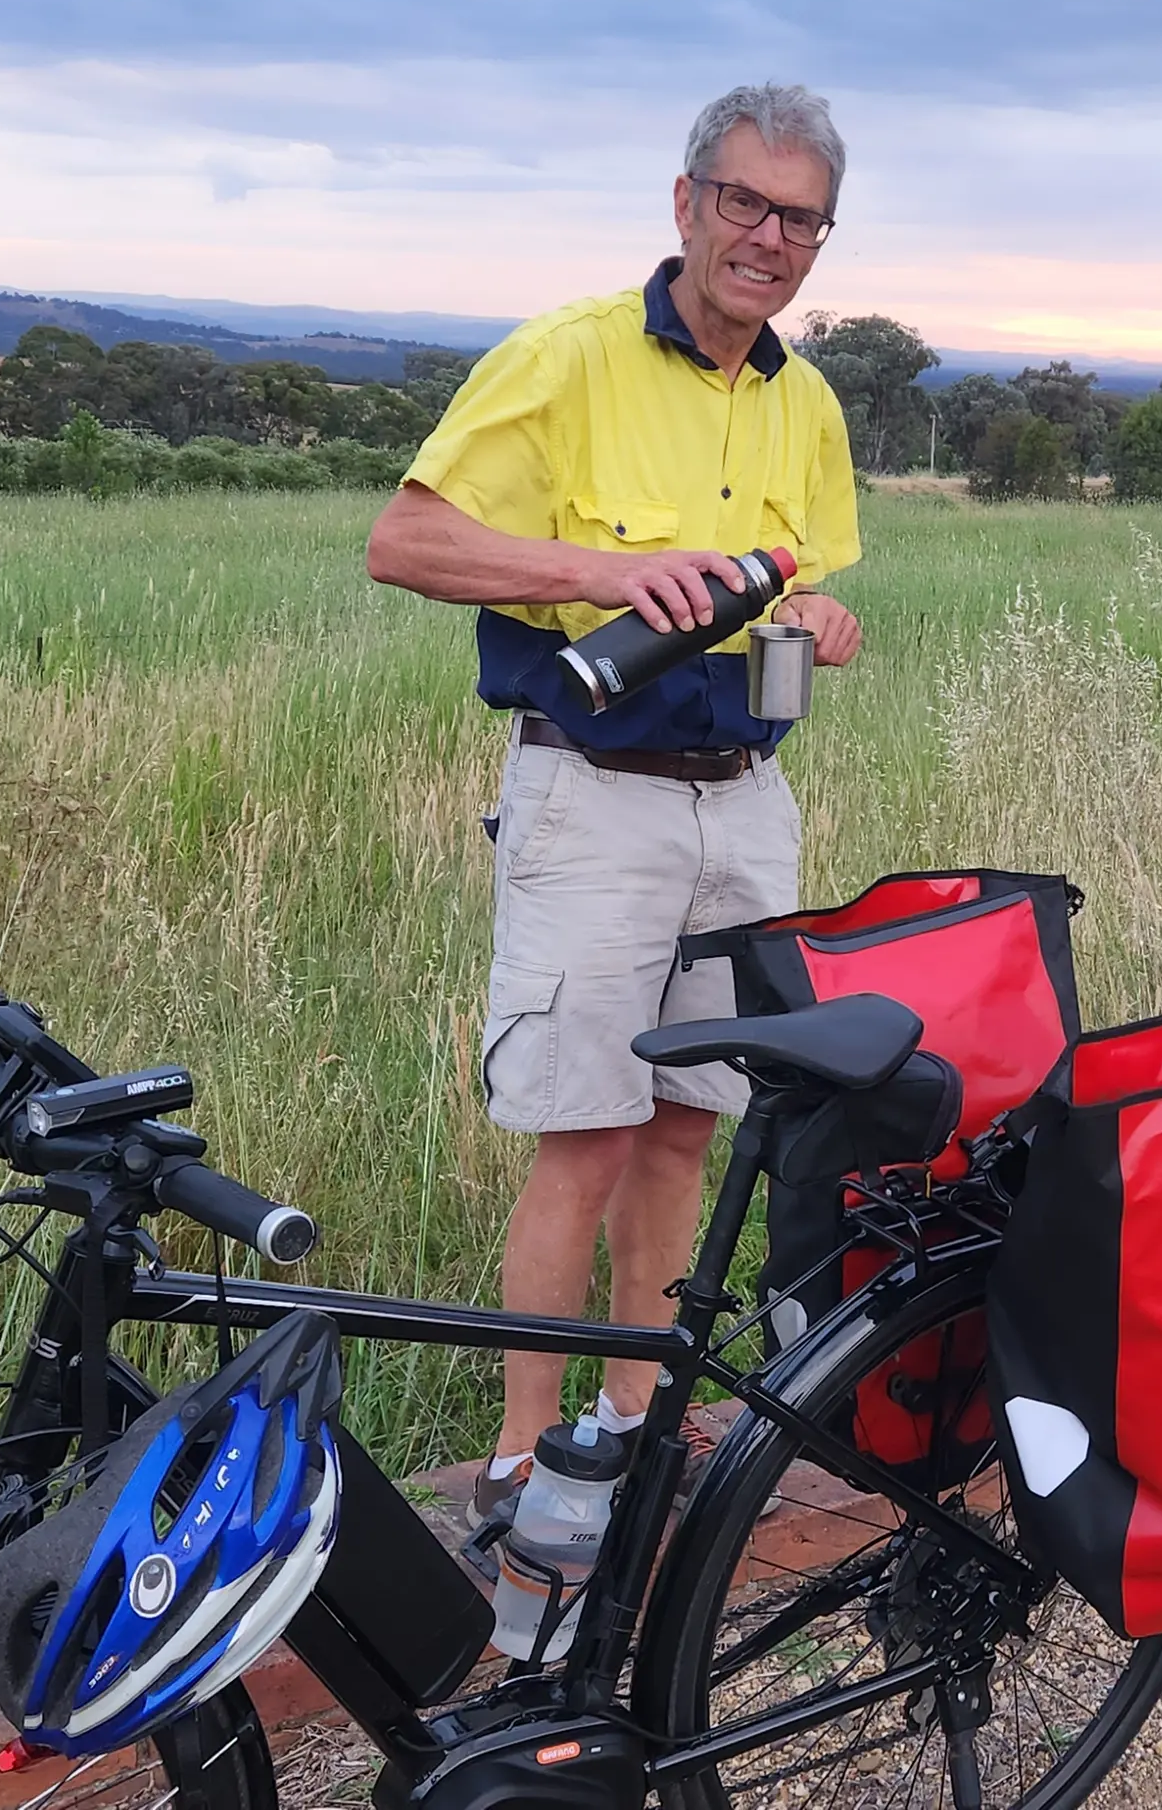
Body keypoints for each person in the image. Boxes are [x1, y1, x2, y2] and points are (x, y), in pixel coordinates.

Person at [365, 83, 866, 1532]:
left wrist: (822, 623)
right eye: (745, 203)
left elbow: (804, 580)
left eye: (801, 219)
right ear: (686, 201)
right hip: (593, 799)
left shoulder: (806, 402)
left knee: (687, 1127)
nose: (768, 239)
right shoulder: (567, 358)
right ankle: (523, 1460)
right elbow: (403, 541)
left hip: (747, 804)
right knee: (582, 1136)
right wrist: (600, 573)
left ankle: (633, 1422)